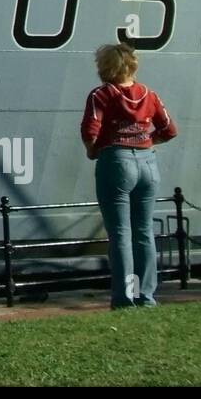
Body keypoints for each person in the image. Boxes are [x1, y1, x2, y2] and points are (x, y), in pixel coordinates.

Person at [81, 43, 178, 308]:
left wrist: (93, 150)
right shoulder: (150, 94)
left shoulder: (101, 95)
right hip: (148, 163)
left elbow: (91, 130)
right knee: (143, 232)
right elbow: (169, 129)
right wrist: (148, 140)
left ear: (105, 67)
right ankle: (145, 295)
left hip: (116, 162)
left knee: (120, 234)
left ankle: (125, 297)